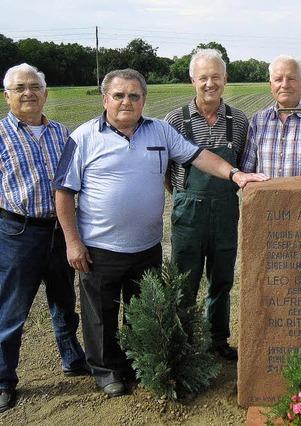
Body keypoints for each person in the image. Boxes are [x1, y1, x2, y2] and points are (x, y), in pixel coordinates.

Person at [53, 69, 269, 397]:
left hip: (147, 246)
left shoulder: (160, 131)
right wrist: (72, 242)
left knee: (141, 312)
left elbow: (198, 156)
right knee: (101, 314)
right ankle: (107, 371)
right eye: (119, 95)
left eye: (134, 96)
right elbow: (64, 192)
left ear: (144, 100)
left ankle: (137, 364)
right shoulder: (83, 137)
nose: (127, 101)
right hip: (100, 247)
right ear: (105, 99)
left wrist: (235, 174)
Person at [0, 64, 89, 412]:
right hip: (17, 233)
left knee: (64, 302)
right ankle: (4, 379)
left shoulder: (61, 133)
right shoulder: (2, 135)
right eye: (19, 87)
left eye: (34, 86)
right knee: (11, 311)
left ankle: (71, 358)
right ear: (7, 95)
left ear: (45, 93)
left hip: (60, 231)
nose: (28, 93)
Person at [164, 49, 246, 360]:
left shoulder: (237, 120)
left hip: (225, 211)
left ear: (225, 79)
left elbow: (241, 163)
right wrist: (184, 197)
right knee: (185, 281)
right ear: (192, 80)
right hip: (189, 211)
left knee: (222, 280)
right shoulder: (175, 119)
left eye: (215, 77)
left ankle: (217, 341)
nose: (209, 83)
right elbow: (164, 173)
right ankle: (183, 344)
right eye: (203, 78)